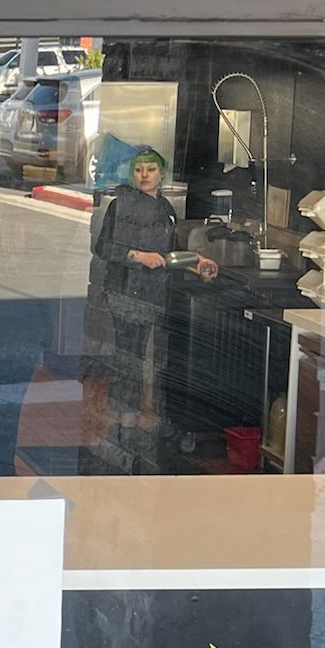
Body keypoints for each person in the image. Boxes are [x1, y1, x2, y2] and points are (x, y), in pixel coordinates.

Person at [92, 148, 218, 434]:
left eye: (150, 169)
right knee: (129, 354)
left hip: (153, 293)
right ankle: (124, 415)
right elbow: (104, 248)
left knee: (145, 356)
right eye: (139, 170)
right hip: (124, 291)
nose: (144, 175)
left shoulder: (165, 210)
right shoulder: (119, 205)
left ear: (162, 174)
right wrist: (138, 256)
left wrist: (197, 263)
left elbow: (169, 255)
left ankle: (139, 413)